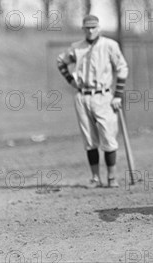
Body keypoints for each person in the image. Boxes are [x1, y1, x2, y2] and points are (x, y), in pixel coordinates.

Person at [57, 14, 128, 188]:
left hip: (103, 96)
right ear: (83, 29)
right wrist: (71, 81)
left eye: (93, 27)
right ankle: (95, 178)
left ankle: (112, 177)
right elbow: (60, 62)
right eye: (87, 27)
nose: (90, 30)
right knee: (89, 140)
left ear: (99, 28)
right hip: (83, 96)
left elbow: (122, 68)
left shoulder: (109, 45)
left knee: (108, 136)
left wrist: (118, 95)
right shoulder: (77, 48)